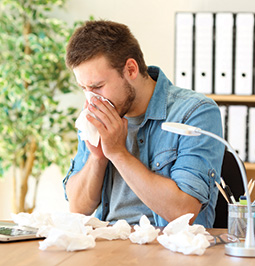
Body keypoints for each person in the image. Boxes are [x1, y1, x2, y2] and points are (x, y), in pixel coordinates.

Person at [63, 20, 225, 228]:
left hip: (168, 249)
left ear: (131, 69)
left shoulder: (195, 112)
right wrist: (97, 157)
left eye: (98, 86)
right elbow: (78, 207)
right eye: (84, 88)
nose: (92, 99)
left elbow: (184, 212)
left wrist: (118, 153)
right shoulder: (96, 114)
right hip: (107, 244)